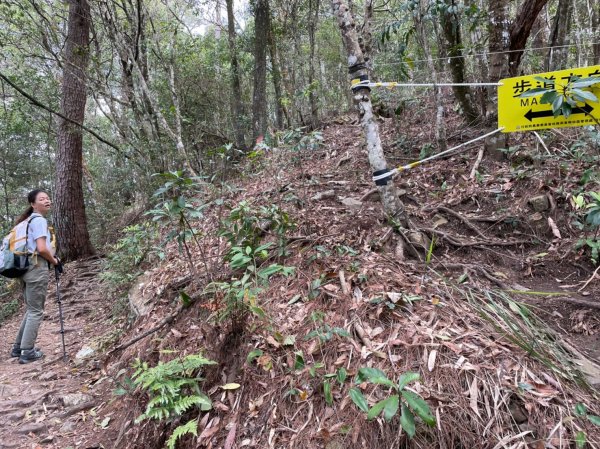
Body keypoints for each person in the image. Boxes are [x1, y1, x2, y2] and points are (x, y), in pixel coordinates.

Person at [10, 189, 59, 364]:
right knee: (36, 311)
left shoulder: (26, 221)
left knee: (31, 309)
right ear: (33, 204)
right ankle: (27, 351)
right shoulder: (38, 220)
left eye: (47, 198)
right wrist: (54, 261)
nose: (47, 201)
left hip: (24, 269)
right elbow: (42, 248)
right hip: (36, 268)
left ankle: (18, 347)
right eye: (42, 199)